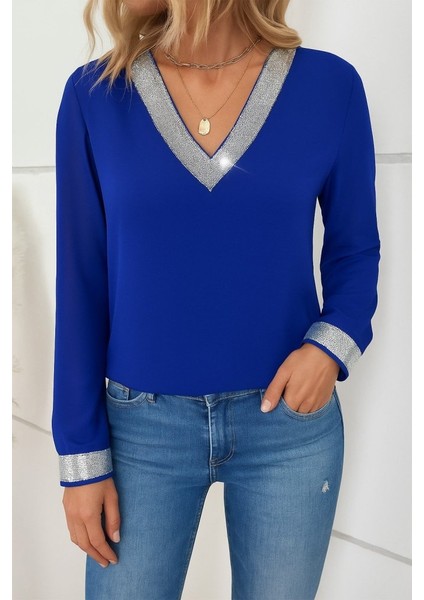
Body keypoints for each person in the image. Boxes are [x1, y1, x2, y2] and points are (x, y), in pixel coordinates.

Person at [51, 0, 381, 598]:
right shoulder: (95, 96)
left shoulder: (330, 86)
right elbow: (80, 280)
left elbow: (355, 249)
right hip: (140, 434)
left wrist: (330, 349)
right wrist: (80, 457)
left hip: (288, 430)